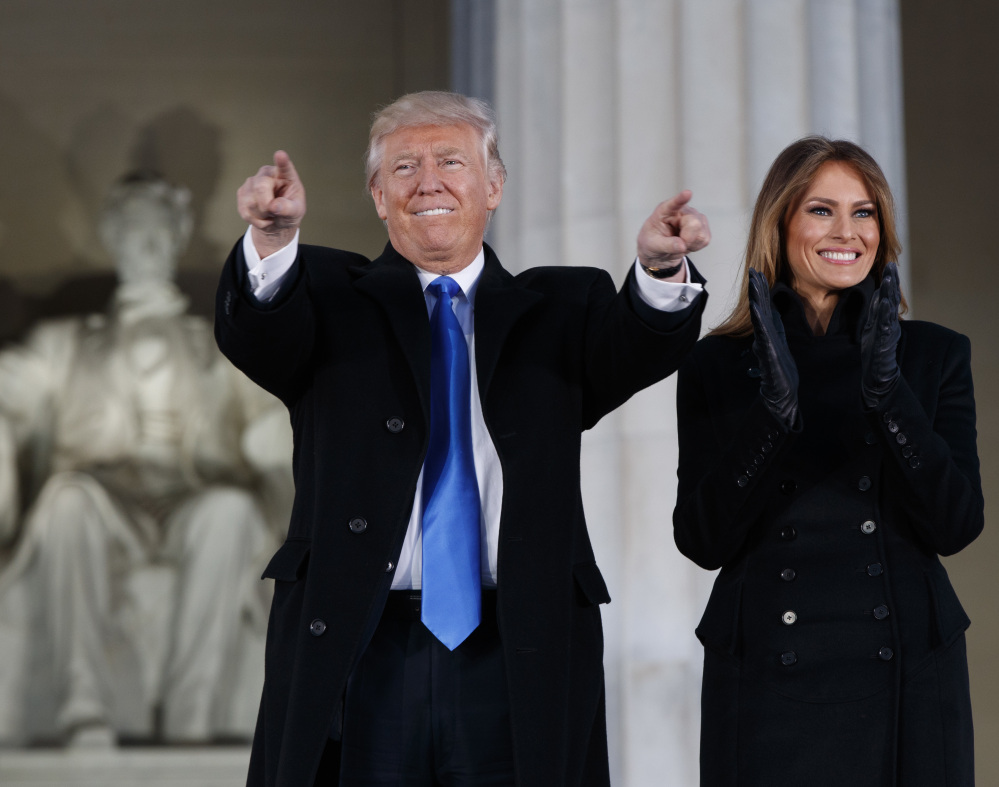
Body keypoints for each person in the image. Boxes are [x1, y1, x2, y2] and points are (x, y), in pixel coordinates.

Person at [216, 90, 711, 786]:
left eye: (450, 161)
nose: (428, 182)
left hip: (517, 644)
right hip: (366, 642)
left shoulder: (562, 307)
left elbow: (633, 347)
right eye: (404, 168)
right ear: (378, 196)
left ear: (494, 185)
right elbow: (260, 335)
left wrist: (659, 273)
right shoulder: (327, 297)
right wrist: (270, 240)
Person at [673, 136, 984, 785]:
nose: (846, 231)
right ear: (779, 223)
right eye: (820, 210)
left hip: (907, 676)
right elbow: (701, 539)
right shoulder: (717, 364)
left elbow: (955, 524)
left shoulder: (933, 355)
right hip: (764, 681)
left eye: (863, 211)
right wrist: (772, 414)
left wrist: (887, 394)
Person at [0, 173, 291, 747]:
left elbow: (276, 409)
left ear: (178, 237)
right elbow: (10, 386)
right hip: (100, 498)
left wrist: (278, 435)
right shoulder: (63, 342)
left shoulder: (222, 343)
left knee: (231, 511)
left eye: (159, 230)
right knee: (67, 501)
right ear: (112, 238)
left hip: (193, 497)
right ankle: (83, 706)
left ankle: (193, 713)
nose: (147, 243)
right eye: (133, 230)